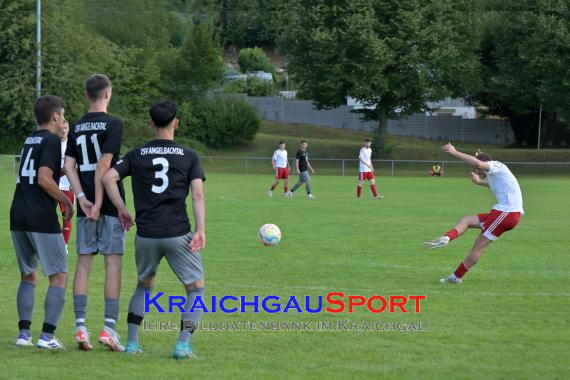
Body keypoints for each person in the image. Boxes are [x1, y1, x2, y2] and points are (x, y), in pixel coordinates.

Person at [103, 101, 206, 359]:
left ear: (150, 123)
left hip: (146, 234)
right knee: (196, 289)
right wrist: (200, 229)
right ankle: (182, 345)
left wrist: (122, 209)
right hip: (178, 233)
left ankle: (132, 343)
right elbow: (198, 195)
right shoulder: (189, 155)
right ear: (176, 122)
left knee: (143, 286)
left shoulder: (137, 154)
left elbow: (107, 178)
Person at [64, 74, 126, 351]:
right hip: (109, 204)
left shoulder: (76, 126)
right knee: (112, 264)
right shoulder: (114, 124)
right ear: (108, 93)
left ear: (87, 95)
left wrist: (82, 198)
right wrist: (99, 203)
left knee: (84, 264)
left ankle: (80, 328)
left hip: (84, 205)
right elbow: (104, 165)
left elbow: (68, 166)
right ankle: (109, 329)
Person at [10, 95, 73, 349]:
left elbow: (35, 172)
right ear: (56, 116)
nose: (63, 121)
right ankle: (47, 336)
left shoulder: (30, 139)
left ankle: (23, 334)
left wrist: (66, 171)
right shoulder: (51, 140)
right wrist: (66, 203)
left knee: (28, 275)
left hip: (19, 213)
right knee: (58, 275)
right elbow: (43, 179)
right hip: (40, 216)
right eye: (63, 115)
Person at [423, 143, 524, 284]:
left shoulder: (495, 165)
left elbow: (477, 162)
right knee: (468, 220)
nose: (477, 172)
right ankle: (447, 238)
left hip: (506, 213)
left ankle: (456, 277)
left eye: (477, 170)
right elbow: (494, 185)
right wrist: (479, 182)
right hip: (507, 214)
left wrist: (455, 152)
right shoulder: (495, 174)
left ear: (481, 165)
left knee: (478, 246)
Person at [59, 119, 74, 252]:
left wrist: (74, 183)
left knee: (66, 216)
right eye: (61, 128)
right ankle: (51, 242)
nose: (63, 130)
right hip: (52, 185)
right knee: (47, 215)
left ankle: (64, 245)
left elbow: (77, 165)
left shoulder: (72, 145)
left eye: (66, 127)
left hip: (67, 187)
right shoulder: (52, 144)